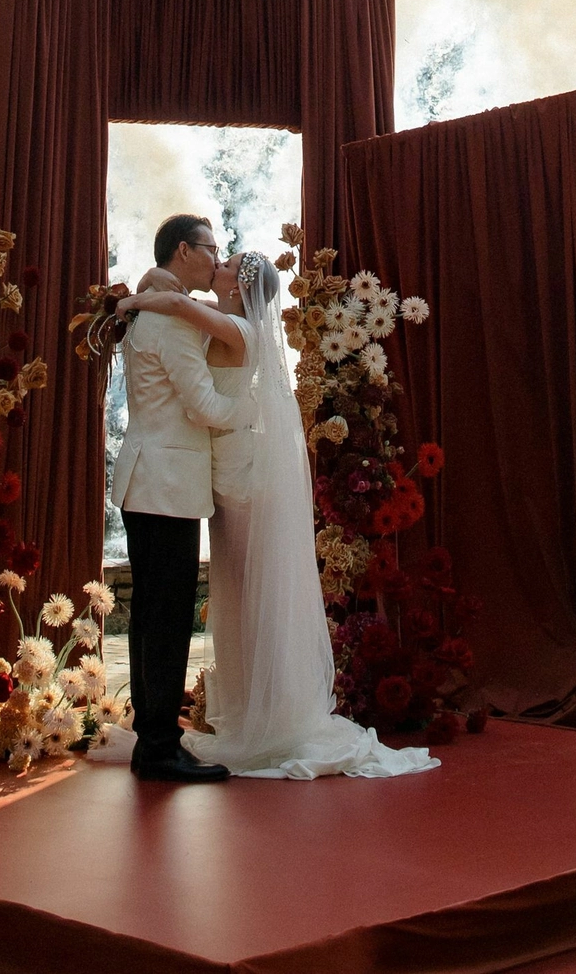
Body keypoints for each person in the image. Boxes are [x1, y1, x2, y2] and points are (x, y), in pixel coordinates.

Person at [118, 250, 439, 781]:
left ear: (239, 286)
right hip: (217, 472)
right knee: (234, 595)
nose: (217, 262)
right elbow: (174, 294)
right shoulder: (218, 316)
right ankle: (244, 713)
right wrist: (152, 283)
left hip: (237, 469)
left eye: (227, 263)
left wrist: (130, 303)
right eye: (215, 255)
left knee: (254, 591)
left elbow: (175, 303)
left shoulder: (236, 328)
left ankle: (272, 718)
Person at [109, 213, 244, 783]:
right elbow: (204, 407)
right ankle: (161, 747)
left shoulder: (160, 310)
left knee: (151, 616)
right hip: (165, 485)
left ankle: (154, 741)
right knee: (165, 619)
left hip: (149, 479)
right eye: (211, 248)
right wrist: (253, 413)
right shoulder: (172, 322)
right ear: (184, 251)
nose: (217, 257)